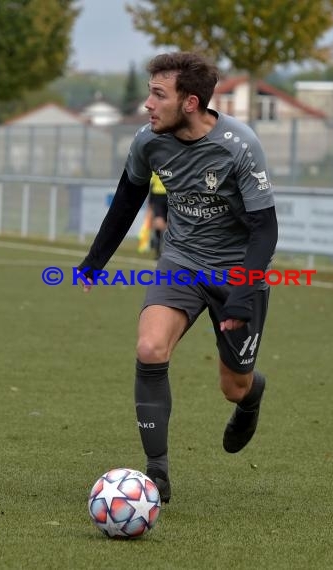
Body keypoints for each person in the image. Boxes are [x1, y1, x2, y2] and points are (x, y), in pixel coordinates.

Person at [77, 52, 278, 504]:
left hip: (236, 272)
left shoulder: (239, 144)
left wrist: (244, 292)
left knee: (234, 386)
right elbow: (128, 198)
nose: (147, 103)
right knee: (150, 348)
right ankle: (157, 477)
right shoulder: (148, 140)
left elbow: (266, 227)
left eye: (157, 94)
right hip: (181, 262)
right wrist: (95, 260)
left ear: (190, 102)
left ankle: (252, 392)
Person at [148, 172, 168, 258]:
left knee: (165, 224)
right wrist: (151, 200)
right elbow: (152, 182)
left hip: (168, 195)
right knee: (159, 223)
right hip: (159, 196)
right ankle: (158, 250)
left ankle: (161, 249)